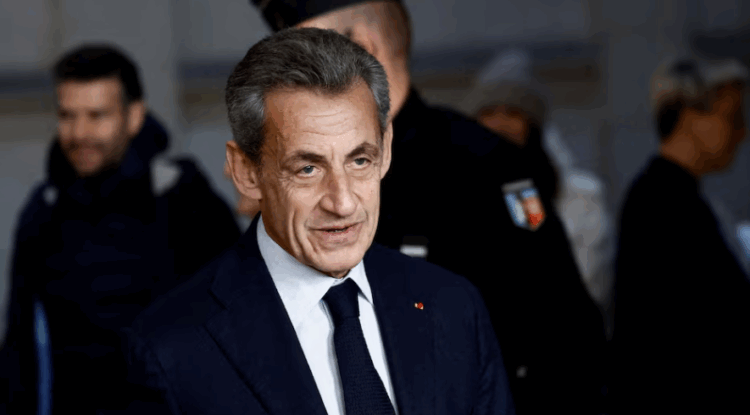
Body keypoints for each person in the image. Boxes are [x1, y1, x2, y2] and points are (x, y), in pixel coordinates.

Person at [122, 27, 515, 415]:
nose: (342, 203)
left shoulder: (453, 307)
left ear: (386, 150)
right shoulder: (169, 349)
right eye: (307, 169)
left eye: (359, 160)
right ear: (246, 171)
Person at [249, 1, 608, 414]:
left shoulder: (485, 169)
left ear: (364, 46)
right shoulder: (295, 179)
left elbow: (564, 346)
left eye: (302, 61)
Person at [0, 44, 241, 414]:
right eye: (68, 116)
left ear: (134, 117)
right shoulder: (43, 211)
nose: (80, 132)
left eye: (97, 116)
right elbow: (20, 351)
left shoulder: (185, 199)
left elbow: (240, 320)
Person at [611, 56, 750, 414]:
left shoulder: (676, 198)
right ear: (690, 116)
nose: (741, 133)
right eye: (732, 117)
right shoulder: (662, 203)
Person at [461, 63, 616, 315]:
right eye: (489, 113)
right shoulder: (458, 185)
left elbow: (542, 258)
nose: (499, 124)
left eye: (512, 113)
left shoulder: (524, 190)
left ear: (531, 124)